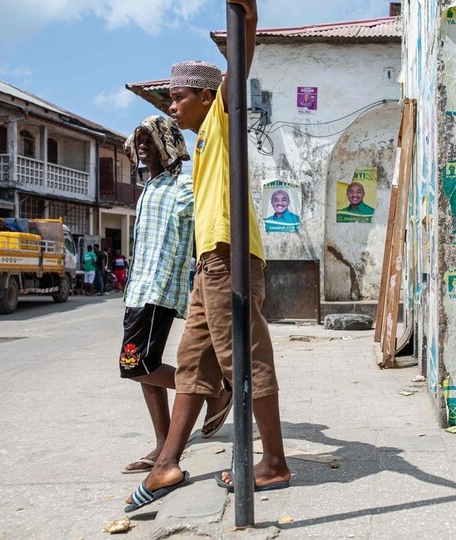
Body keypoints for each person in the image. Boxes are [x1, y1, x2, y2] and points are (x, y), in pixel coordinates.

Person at [125, 0, 290, 512]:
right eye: (168, 99)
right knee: (194, 362)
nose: (171, 107)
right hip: (209, 263)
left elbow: (237, 69)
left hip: (229, 257)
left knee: (247, 355)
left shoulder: (222, 117)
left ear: (205, 96)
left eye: (177, 99)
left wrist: (250, 19)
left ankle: (275, 463)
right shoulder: (199, 148)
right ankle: (168, 463)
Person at [119, 115, 232, 475]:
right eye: (139, 140)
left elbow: (208, 226)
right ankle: (163, 443)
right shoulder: (148, 189)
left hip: (159, 288)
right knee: (141, 369)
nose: (142, 146)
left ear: (166, 146)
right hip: (137, 289)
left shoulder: (183, 187)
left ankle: (214, 392)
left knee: (136, 364)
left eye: (149, 140)